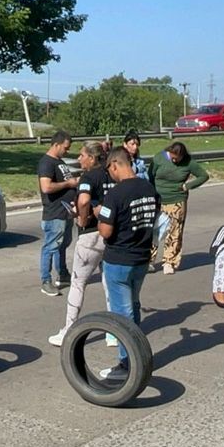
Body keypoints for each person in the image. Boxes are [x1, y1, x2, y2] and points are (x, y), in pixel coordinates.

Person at [95, 146, 161, 379]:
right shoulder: (149, 188)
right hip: (141, 258)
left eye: (108, 169)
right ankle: (138, 354)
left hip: (119, 260)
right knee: (133, 306)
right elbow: (154, 218)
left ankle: (127, 364)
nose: (109, 174)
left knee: (122, 315)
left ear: (115, 164)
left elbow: (105, 231)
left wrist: (99, 217)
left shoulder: (115, 194)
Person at [49, 142, 112, 347]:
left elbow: (84, 201)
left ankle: (69, 330)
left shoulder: (88, 177)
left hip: (91, 236)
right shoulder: (112, 174)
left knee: (78, 283)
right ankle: (114, 333)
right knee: (109, 282)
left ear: (92, 158)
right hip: (110, 234)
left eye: (82, 155)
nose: (79, 158)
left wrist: (82, 219)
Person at [149, 141, 208, 274]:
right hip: (158, 199)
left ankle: (169, 261)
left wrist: (188, 186)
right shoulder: (159, 158)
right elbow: (150, 176)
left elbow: (203, 176)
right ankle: (148, 260)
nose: (174, 160)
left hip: (177, 200)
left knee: (174, 231)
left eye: (177, 158)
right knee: (155, 230)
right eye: (172, 157)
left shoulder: (188, 162)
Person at [37, 130, 78, 296]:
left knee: (62, 244)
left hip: (65, 212)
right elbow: (46, 187)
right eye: (65, 148)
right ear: (56, 144)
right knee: (51, 246)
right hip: (54, 213)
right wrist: (68, 184)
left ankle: (63, 273)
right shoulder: (46, 163)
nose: (67, 151)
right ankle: (45, 280)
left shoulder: (59, 161)